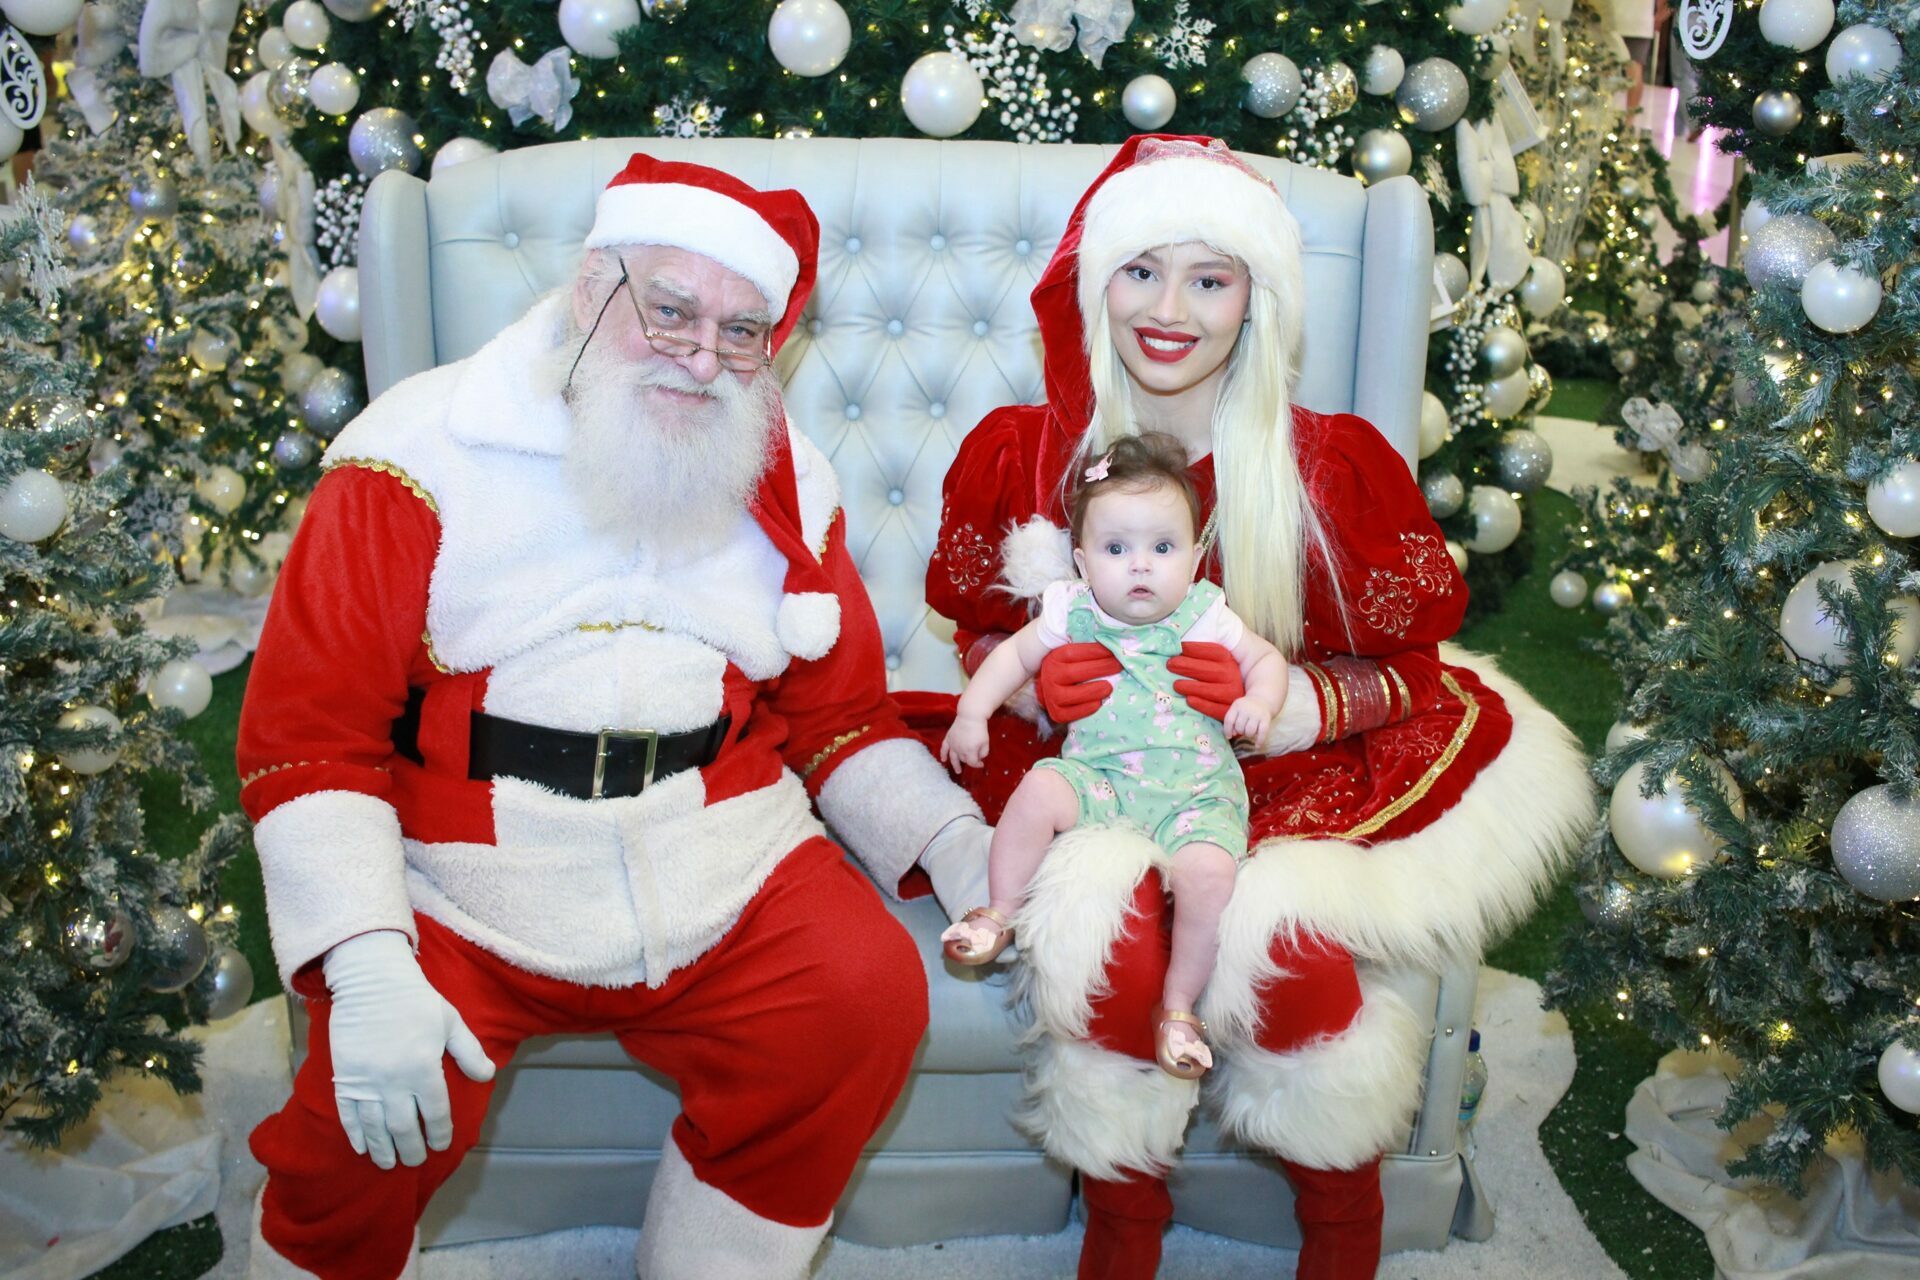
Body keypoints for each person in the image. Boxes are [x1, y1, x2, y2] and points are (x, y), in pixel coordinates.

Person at [237, 154, 995, 1280]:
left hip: (723, 851)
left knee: (861, 997)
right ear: (593, 286)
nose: (703, 356)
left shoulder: (789, 478)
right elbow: (310, 739)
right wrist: (365, 957)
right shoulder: (414, 452)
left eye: (742, 332)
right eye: (671, 311)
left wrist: (956, 843)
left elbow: (839, 721)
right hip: (470, 873)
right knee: (361, 1129)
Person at [916, 135, 1591, 1280]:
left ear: (1255, 299)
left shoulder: (1325, 465)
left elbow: (1417, 667)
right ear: (1098, 282)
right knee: (1109, 941)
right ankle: (1123, 1224)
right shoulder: (1027, 452)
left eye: (1209, 278)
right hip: (1107, 767)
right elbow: (980, 625)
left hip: (1280, 773)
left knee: (1290, 955)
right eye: (1142, 270)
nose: (1168, 309)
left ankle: (1343, 1224)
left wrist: (1296, 709)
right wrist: (1029, 681)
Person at [937, 433, 1287, 1080]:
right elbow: (1013, 657)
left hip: (1193, 794)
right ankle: (998, 910)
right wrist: (971, 712)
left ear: (1195, 557)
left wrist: (1260, 702)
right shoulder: (1072, 611)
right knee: (1039, 791)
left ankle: (1179, 1006)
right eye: (1116, 549)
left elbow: (1265, 659)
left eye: (1163, 548)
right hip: (1100, 781)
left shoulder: (1205, 613)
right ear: (1082, 560)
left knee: (1210, 875)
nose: (1140, 567)